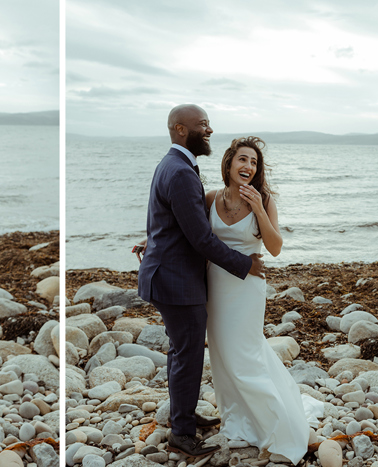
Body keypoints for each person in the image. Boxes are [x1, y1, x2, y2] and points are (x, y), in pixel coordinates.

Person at [136, 104, 265, 457]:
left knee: (181, 352)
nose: (209, 130)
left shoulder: (175, 165)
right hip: (176, 280)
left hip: (169, 274)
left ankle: (185, 415)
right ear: (180, 129)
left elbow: (168, 220)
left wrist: (153, 241)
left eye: (208, 124)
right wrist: (244, 264)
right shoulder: (179, 171)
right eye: (202, 124)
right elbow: (200, 239)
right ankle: (181, 434)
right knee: (188, 354)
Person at [205, 136, 323, 464]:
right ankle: (238, 420)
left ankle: (278, 425)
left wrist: (258, 208)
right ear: (228, 163)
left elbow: (275, 247)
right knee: (222, 356)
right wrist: (152, 238)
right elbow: (190, 233)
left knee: (246, 356)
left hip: (247, 289)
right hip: (214, 287)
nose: (248, 166)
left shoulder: (265, 198)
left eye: (254, 162)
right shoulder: (210, 197)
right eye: (243, 160)